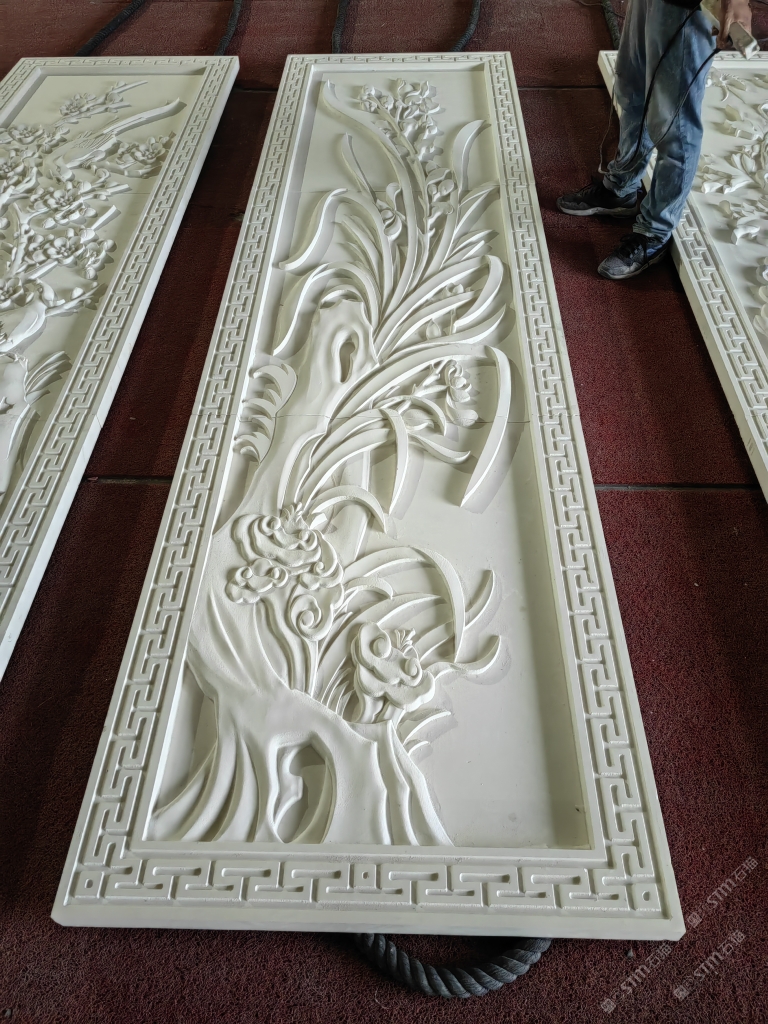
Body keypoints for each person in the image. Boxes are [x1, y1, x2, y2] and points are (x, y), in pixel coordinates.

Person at [557, 0, 753, 280]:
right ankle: (621, 188)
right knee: (632, 90)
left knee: (675, 123)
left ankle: (654, 233)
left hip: (687, 7)